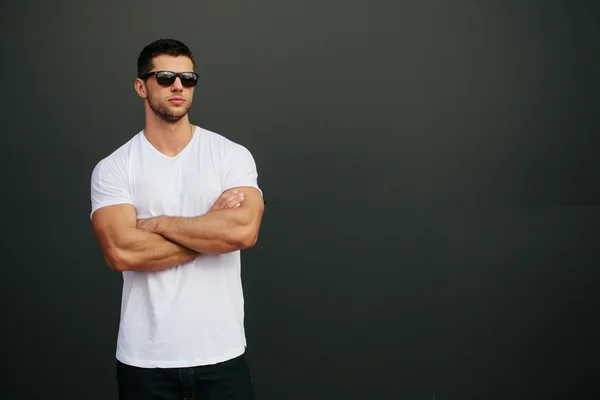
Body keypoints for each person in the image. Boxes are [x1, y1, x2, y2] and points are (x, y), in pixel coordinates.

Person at [89, 38, 264, 400]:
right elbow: (121, 252)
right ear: (141, 86)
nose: (178, 86)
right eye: (166, 77)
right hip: (145, 360)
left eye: (188, 78)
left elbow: (244, 231)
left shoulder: (230, 156)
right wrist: (211, 230)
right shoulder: (115, 168)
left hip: (223, 355)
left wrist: (157, 224)